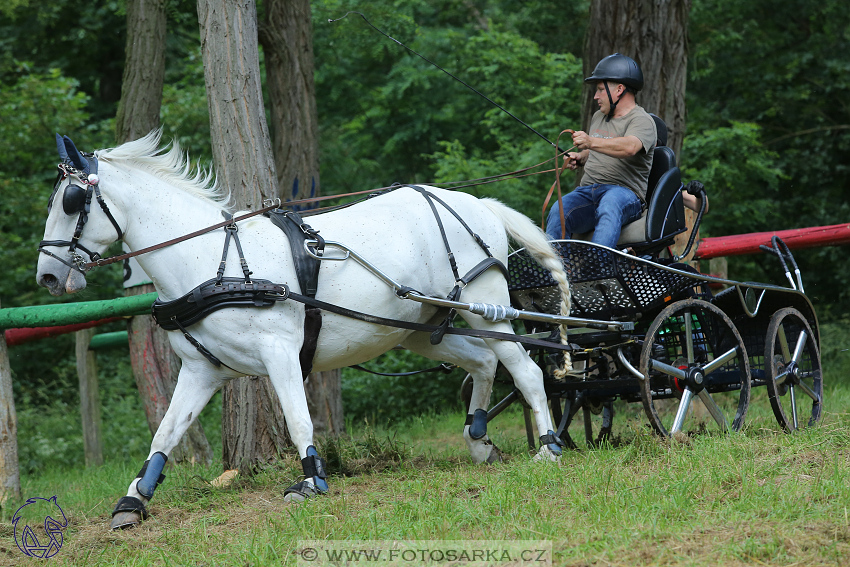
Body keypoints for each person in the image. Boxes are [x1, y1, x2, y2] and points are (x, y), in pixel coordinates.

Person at [546, 53, 656, 248]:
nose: (596, 96)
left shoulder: (642, 121)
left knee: (610, 203)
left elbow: (630, 146)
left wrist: (590, 142)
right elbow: (599, 149)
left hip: (625, 194)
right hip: (588, 192)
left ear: (620, 89)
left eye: (600, 90)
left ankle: (598, 269)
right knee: (559, 210)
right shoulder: (599, 116)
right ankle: (553, 271)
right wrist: (581, 157)